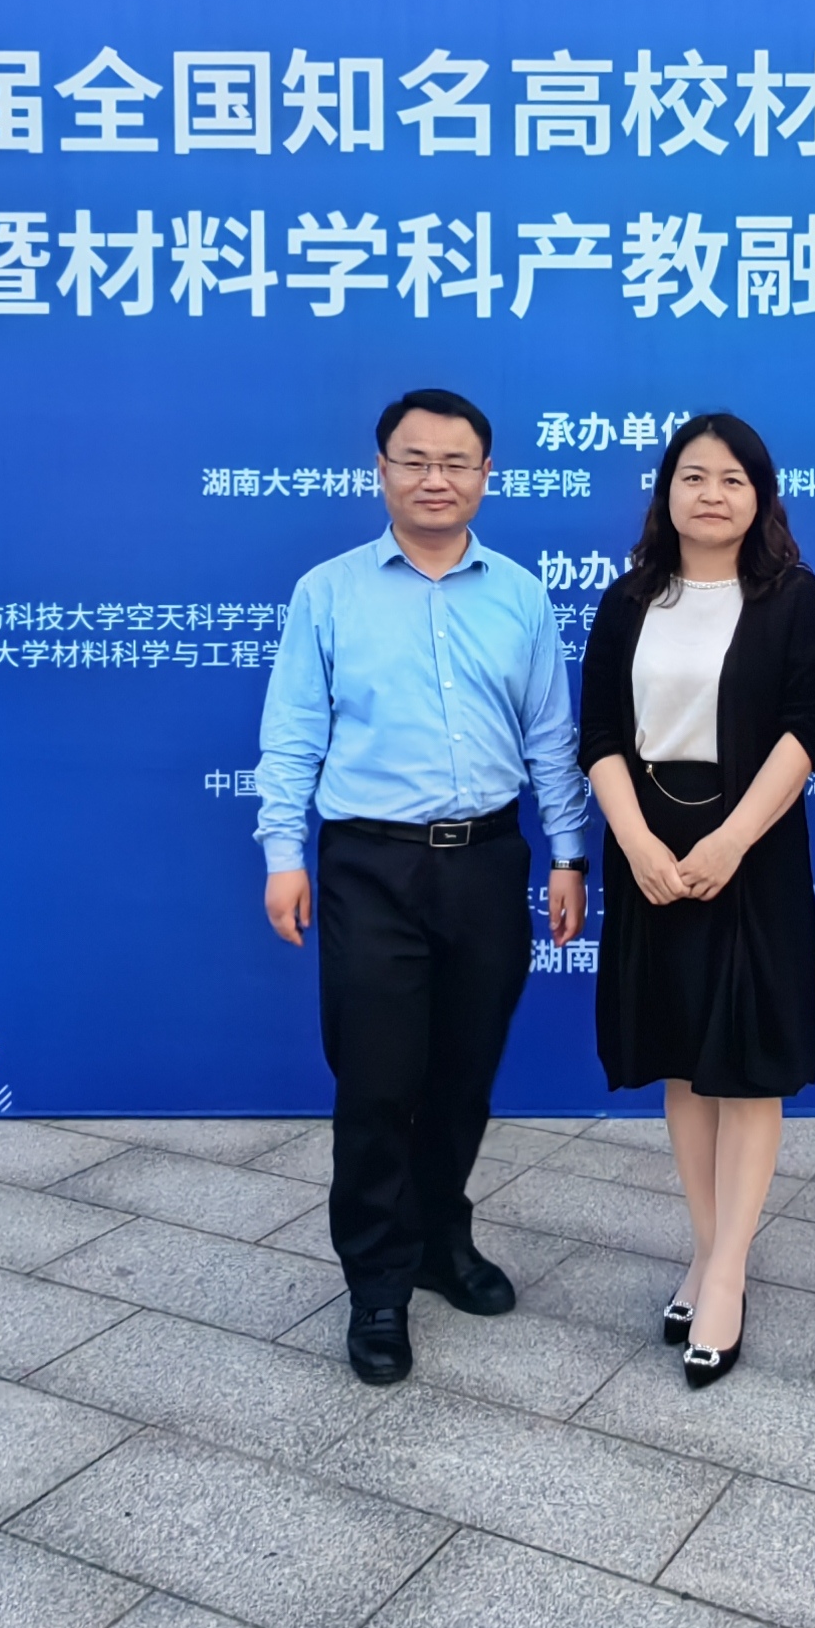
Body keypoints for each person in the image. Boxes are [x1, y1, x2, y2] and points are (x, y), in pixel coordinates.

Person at [254, 388, 593, 1387]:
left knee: (463, 1071)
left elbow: (550, 736)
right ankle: (377, 1283)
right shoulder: (328, 592)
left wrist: (569, 854)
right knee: (376, 1080)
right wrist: (283, 852)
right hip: (370, 863)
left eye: (455, 462)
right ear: (382, 470)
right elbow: (293, 731)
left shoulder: (520, 594)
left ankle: (443, 1236)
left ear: (486, 474)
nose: (435, 478)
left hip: (488, 859)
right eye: (415, 459)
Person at [579, 414, 815, 1389]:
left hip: (753, 853)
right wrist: (637, 842)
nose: (712, 494)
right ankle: (705, 1246)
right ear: (667, 491)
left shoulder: (793, 598)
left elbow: (807, 729)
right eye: (694, 476)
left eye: (733, 478)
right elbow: (599, 732)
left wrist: (733, 839)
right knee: (683, 1058)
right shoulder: (630, 598)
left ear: (760, 495)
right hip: (650, 852)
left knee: (748, 1062)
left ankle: (726, 1273)